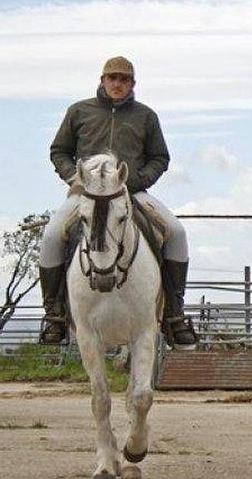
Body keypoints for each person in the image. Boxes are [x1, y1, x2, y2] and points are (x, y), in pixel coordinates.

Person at [38, 56, 198, 346]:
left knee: (176, 232)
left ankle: (174, 313)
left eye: (123, 79)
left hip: (130, 191)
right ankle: (54, 315)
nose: (117, 83)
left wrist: (136, 180)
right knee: (51, 236)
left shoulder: (146, 116)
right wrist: (75, 179)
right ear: (102, 80)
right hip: (85, 194)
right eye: (112, 78)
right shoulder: (78, 111)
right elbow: (59, 151)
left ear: (132, 84)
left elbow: (159, 158)